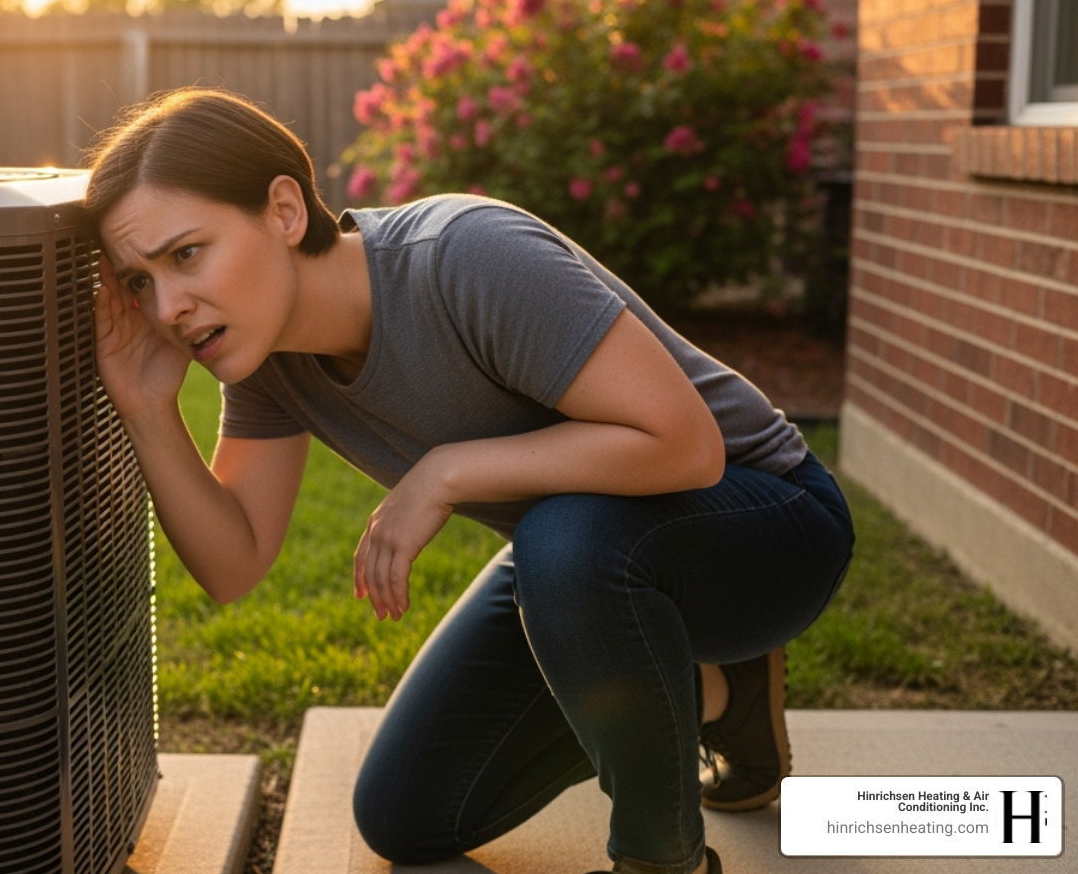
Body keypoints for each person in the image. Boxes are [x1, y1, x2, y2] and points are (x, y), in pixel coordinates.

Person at [83, 87, 854, 874]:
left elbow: (687, 445)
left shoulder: (463, 257)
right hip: (592, 558)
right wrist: (148, 408)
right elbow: (234, 562)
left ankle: (662, 863)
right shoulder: (268, 361)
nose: (168, 306)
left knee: (560, 538)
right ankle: (725, 700)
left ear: (283, 210)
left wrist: (445, 472)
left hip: (770, 522)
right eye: (139, 282)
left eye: (186, 254)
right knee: (406, 813)